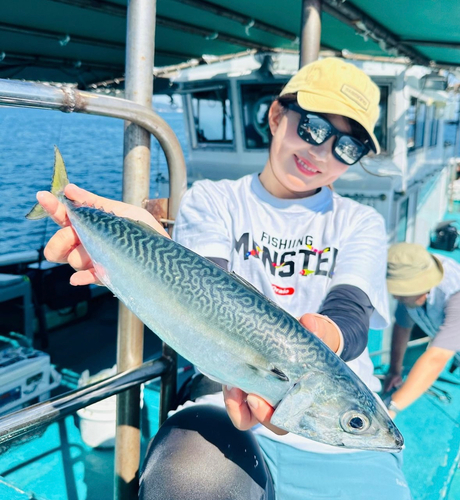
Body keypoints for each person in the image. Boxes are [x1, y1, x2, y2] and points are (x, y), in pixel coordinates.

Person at [35, 58, 410, 499]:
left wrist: (321, 342)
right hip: (222, 402)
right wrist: (147, 251)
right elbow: (209, 285)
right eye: (312, 128)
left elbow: (351, 312)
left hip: (342, 448)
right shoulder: (213, 199)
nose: (322, 152)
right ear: (275, 116)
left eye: (347, 148)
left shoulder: (359, 221)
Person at [384, 242, 460, 419]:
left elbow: (437, 357)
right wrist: (394, 371)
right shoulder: (412, 279)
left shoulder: (456, 296)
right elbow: (402, 325)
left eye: (401, 292)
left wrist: (392, 408)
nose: (396, 296)